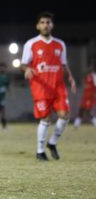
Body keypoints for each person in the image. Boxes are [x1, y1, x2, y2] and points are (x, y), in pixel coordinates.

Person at [21, 12, 76, 161]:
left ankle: (52, 143)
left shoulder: (60, 44)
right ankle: (40, 152)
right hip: (40, 87)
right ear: (37, 26)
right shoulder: (31, 43)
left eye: (48, 22)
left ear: (52, 25)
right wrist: (27, 69)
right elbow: (23, 64)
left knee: (65, 116)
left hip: (58, 86)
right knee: (45, 119)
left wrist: (70, 77)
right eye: (43, 22)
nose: (45, 25)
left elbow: (63, 64)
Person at [73, 63, 96, 128]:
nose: (89, 68)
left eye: (91, 67)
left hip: (90, 97)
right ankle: (76, 125)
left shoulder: (94, 76)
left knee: (87, 111)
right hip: (85, 96)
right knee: (81, 110)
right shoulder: (88, 76)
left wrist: (94, 94)